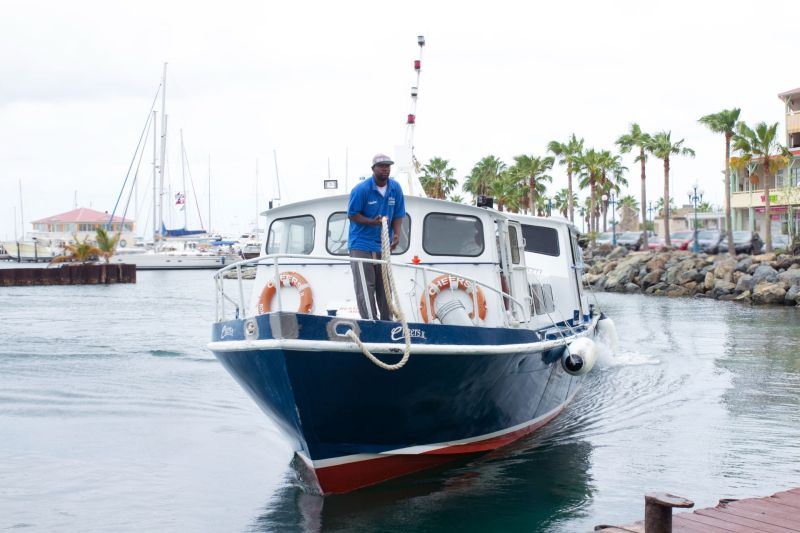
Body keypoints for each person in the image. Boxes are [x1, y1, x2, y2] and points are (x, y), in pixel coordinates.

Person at [347, 153, 406, 320]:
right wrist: (373, 222)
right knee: (366, 286)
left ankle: (387, 324)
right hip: (361, 244)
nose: (385, 169)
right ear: (373, 169)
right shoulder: (361, 189)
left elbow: (399, 214)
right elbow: (352, 214)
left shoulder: (396, 188)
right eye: (381, 166)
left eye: (388, 166)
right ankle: (370, 322)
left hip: (382, 243)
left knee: (384, 286)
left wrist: (396, 234)